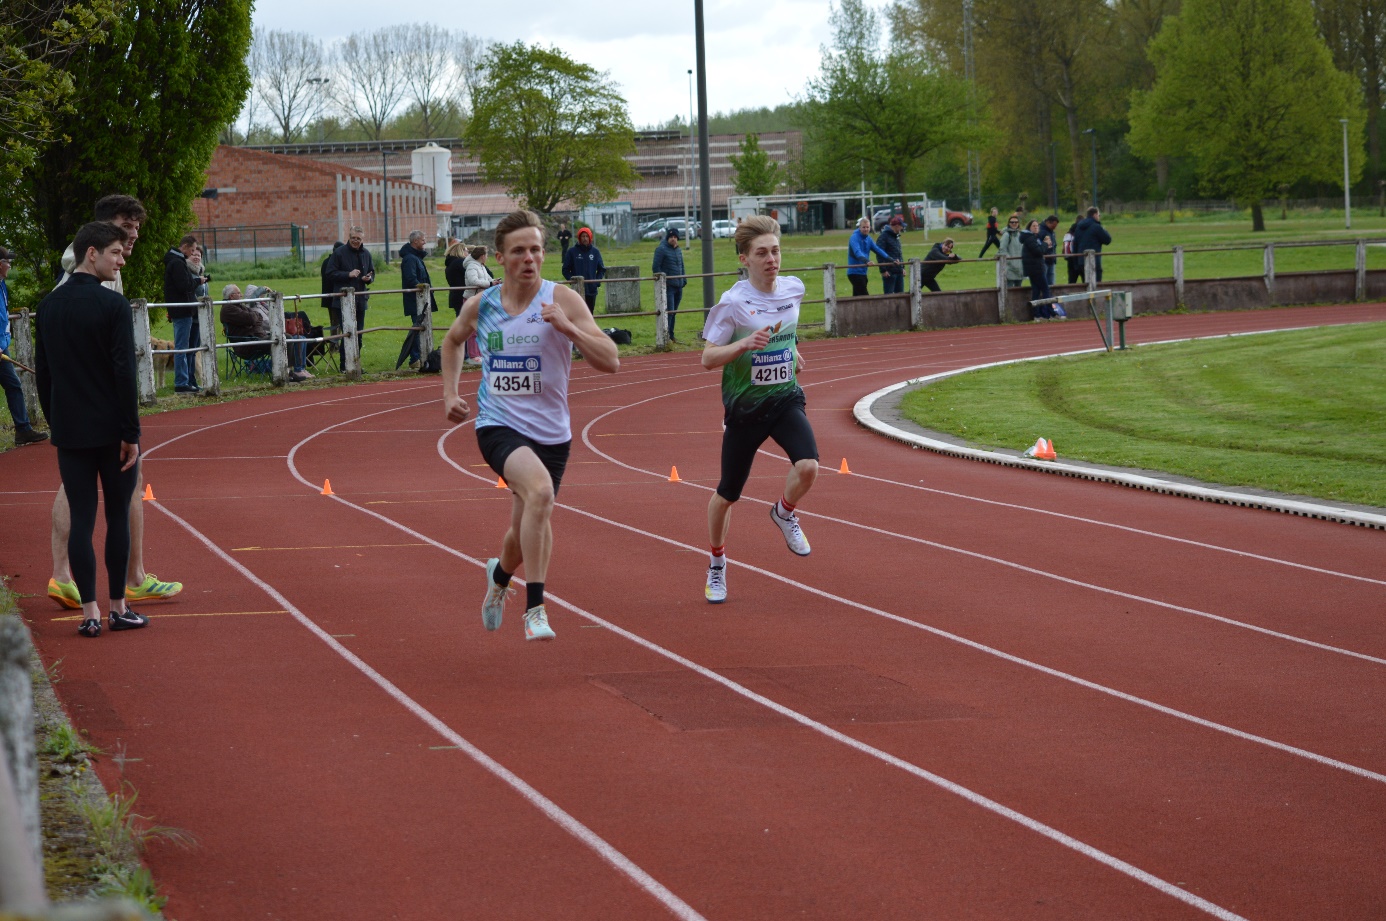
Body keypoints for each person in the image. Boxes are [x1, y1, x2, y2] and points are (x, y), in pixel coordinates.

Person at [440, 209, 620, 641]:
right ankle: (535, 607)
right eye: (519, 251)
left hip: (552, 434)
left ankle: (499, 576)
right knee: (540, 493)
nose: (529, 258)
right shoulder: (482, 305)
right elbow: (451, 340)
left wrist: (568, 329)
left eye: (536, 249)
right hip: (497, 426)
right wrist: (449, 393)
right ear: (499, 258)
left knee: (524, 528)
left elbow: (611, 360)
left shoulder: (562, 301)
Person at [47, 194, 181, 613]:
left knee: (89, 488)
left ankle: (76, 578)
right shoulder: (83, 268)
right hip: (98, 410)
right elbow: (107, 359)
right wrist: (129, 426)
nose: (135, 234)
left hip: (79, 413)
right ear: (103, 232)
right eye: (128, 225)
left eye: (138, 226)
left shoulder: (103, 266)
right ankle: (118, 583)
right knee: (103, 490)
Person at [35, 222, 146, 637]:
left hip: (70, 430)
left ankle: (90, 614)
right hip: (112, 431)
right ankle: (119, 607)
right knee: (117, 515)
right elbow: (124, 373)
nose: (121, 261)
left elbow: (44, 375)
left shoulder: (49, 307)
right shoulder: (113, 307)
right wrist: (130, 432)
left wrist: (55, 420)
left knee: (82, 519)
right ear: (91, 253)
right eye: (116, 253)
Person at [700, 215, 819, 605]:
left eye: (776, 251)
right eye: (762, 253)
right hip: (745, 407)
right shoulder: (732, 304)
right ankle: (717, 563)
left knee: (809, 466)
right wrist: (743, 345)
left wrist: (792, 351)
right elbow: (707, 358)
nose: (772, 259)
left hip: (785, 398)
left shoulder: (794, 289)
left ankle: (784, 513)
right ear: (744, 259)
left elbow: (785, 329)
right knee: (727, 494)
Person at [0, 246, 50, 446]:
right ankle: (23, 428)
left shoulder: (2, 285)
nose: (10, 265)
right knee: (13, 385)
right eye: (7, 262)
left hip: (2, 347)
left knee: (13, 385)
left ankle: (23, 429)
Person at [163, 234, 207, 394]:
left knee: (185, 347)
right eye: (193, 249)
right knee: (182, 347)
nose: (194, 253)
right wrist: (196, 281)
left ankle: (186, 380)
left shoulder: (176, 262)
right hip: (182, 310)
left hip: (183, 309)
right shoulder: (177, 263)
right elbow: (184, 285)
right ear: (186, 247)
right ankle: (181, 382)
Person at [325, 226, 375, 358]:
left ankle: (355, 363)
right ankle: (345, 365)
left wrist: (368, 278)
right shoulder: (339, 253)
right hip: (343, 301)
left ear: (362, 239)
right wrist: (348, 274)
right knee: (347, 333)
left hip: (360, 301)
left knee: (358, 334)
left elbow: (372, 271)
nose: (355, 241)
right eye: (353, 238)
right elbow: (329, 273)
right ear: (349, 237)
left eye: (358, 238)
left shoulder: (366, 254)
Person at [399, 230, 437, 370]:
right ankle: (415, 358)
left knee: (420, 328)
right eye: (423, 240)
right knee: (417, 329)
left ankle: (420, 357)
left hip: (421, 300)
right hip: (416, 301)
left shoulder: (415, 258)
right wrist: (422, 288)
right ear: (415, 241)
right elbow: (411, 279)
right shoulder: (410, 258)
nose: (425, 242)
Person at [651, 226, 687, 341]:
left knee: (674, 312)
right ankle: (665, 336)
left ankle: (671, 335)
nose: (673, 239)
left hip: (679, 285)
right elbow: (656, 267)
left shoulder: (678, 250)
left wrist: (684, 279)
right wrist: (663, 283)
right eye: (671, 237)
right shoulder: (661, 249)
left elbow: (681, 265)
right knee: (669, 312)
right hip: (668, 286)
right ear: (667, 238)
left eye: (675, 237)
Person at [561, 226, 604, 313]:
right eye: (583, 236)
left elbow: (601, 269)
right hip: (577, 290)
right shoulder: (572, 252)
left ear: (590, 237)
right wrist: (572, 281)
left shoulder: (595, 252)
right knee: (578, 314)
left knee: (589, 314)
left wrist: (596, 282)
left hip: (591, 290)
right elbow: (565, 269)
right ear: (579, 238)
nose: (585, 238)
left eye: (587, 236)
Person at [847, 216, 891, 296]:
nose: (866, 229)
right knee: (865, 297)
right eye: (863, 227)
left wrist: (890, 259)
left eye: (867, 227)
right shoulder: (854, 238)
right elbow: (857, 253)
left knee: (857, 298)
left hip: (863, 272)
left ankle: (855, 308)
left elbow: (877, 250)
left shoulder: (868, 239)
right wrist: (867, 261)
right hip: (855, 272)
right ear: (860, 227)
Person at [1021, 219, 1053, 316]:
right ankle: (1048, 312)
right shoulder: (1030, 238)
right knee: (1045, 289)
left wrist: (1047, 245)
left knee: (1036, 290)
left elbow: (1041, 251)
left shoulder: (1034, 238)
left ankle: (1037, 314)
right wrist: (1045, 244)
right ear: (1029, 228)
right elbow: (1038, 251)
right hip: (1036, 268)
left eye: (1037, 226)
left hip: (1034, 268)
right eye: (1033, 226)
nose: (1036, 227)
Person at [1073, 207, 1113, 283]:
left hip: (1081, 260)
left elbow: (1075, 244)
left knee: (1086, 283)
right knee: (1096, 284)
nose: (1099, 217)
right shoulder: (1096, 227)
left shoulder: (1079, 227)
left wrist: (1076, 262)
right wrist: (1103, 229)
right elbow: (1107, 240)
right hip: (1094, 261)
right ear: (1094, 215)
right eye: (1099, 215)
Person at [877, 215, 906, 294]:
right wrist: (883, 270)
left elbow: (899, 253)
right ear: (896, 226)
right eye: (901, 226)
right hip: (889, 272)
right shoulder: (883, 237)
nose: (902, 228)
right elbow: (879, 254)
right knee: (889, 296)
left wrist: (902, 267)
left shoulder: (896, 237)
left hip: (898, 271)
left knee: (900, 296)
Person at [998, 213, 1024, 288]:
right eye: (1012, 222)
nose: (1014, 224)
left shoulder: (1020, 234)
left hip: (1020, 268)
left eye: (1016, 222)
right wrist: (1010, 261)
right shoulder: (1006, 235)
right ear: (1009, 223)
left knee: (1019, 290)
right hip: (1010, 268)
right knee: (1009, 290)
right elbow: (1002, 250)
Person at [444, 240, 469, 317]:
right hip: (463, 295)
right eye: (466, 251)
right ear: (461, 251)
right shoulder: (460, 262)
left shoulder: (450, 263)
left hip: (455, 295)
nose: (468, 253)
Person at [1039, 215, 1060, 288]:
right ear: (1048, 222)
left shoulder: (1051, 232)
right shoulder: (1041, 231)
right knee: (1044, 279)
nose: (1054, 228)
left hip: (1051, 259)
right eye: (1053, 226)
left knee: (1051, 281)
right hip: (1045, 259)